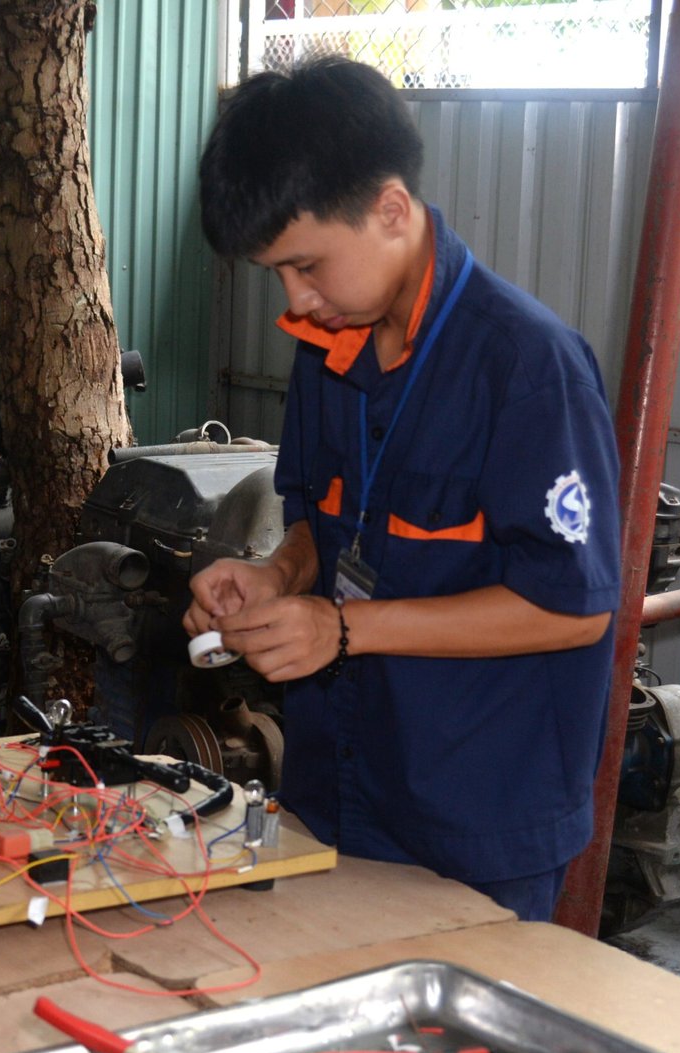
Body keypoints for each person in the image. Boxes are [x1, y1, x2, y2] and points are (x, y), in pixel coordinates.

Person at [185, 58, 620, 922]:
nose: (296, 299)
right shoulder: (328, 346)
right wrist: (275, 577)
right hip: (337, 788)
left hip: (475, 818)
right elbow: (318, 526)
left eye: (308, 265)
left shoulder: (527, 369)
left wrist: (344, 628)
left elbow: (573, 609)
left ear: (390, 209)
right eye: (276, 274)